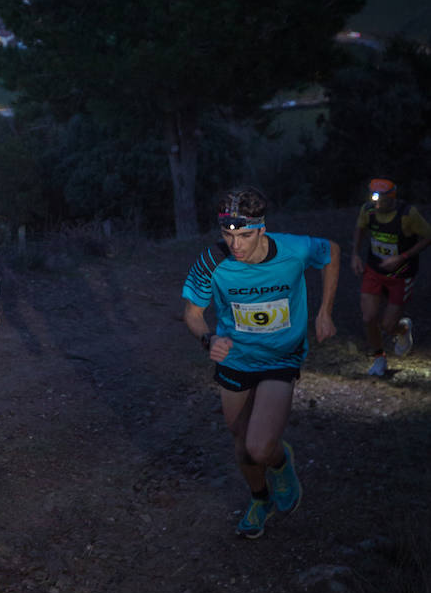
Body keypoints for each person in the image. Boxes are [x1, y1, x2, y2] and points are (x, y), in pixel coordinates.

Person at [182, 185, 340, 539]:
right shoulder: (212, 261)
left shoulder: (293, 249)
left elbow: (331, 252)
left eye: (245, 235)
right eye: (228, 234)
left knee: (259, 446)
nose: (235, 244)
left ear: (262, 229)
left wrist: (324, 311)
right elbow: (192, 313)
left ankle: (281, 463)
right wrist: (208, 338)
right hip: (236, 360)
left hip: (280, 356)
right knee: (241, 442)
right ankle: (259, 499)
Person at [350, 177, 431, 377]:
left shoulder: (407, 215)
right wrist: (355, 254)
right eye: (374, 199)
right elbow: (360, 229)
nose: (376, 205)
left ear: (392, 199)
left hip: (401, 275)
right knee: (369, 317)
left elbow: (428, 236)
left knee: (388, 326)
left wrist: (402, 257)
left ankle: (403, 329)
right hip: (374, 270)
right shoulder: (368, 210)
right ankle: (379, 358)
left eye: (381, 201)